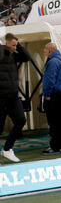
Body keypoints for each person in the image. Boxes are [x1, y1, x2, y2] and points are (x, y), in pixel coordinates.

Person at [0, 33, 30, 163]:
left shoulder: (14, 54)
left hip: (13, 96)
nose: (15, 47)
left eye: (16, 45)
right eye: (12, 45)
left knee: (21, 120)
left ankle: (7, 149)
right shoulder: (2, 51)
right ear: (6, 43)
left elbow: (26, 57)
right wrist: (6, 49)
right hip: (0, 97)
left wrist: (19, 46)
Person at [42, 43, 61, 155]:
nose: (44, 51)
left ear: (49, 50)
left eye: (45, 49)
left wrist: (47, 94)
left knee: (53, 121)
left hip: (54, 95)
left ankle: (55, 146)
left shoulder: (52, 62)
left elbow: (49, 79)